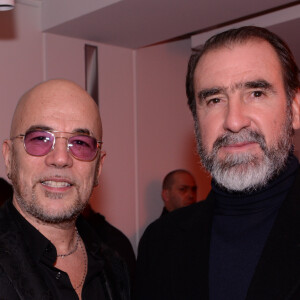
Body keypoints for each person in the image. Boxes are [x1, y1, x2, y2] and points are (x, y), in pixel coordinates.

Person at [135, 26, 300, 300]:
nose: (234, 121)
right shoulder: (161, 242)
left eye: (256, 93)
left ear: (294, 110)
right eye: (214, 99)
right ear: (196, 121)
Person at [1, 79, 130, 299]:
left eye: (80, 143)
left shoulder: (114, 265)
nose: (60, 159)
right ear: (9, 157)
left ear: (98, 166)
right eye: (40, 139)